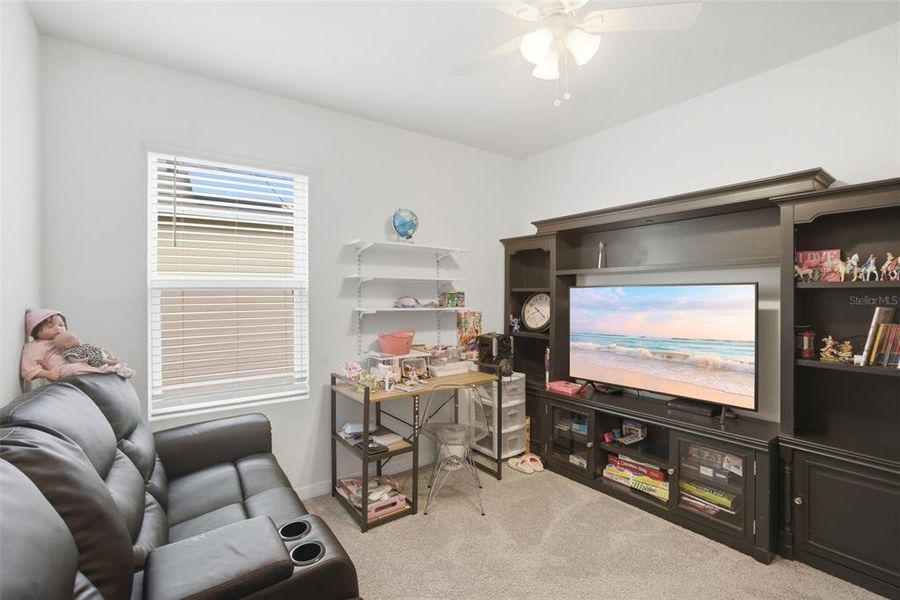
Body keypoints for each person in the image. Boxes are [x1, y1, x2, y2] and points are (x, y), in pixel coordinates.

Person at [19, 308, 125, 384]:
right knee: (74, 368)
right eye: (50, 326)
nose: (58, 329)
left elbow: (77, 348)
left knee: (97, 351)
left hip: (78, 359)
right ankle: (106, 371)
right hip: (63, 369)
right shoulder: (35, 346)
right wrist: (47, 373)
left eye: (61, 325)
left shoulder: (63, 338)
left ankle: (107, 363)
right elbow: (29, 368)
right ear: (35, 331)